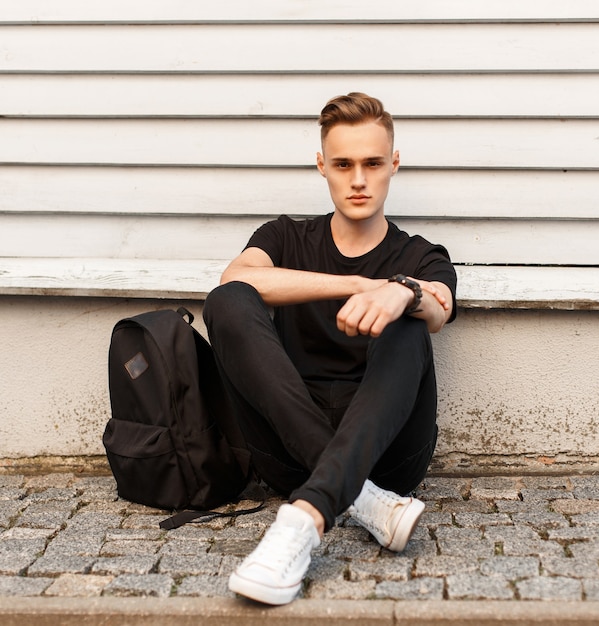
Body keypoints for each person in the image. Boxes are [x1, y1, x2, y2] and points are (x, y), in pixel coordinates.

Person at [203, 92, 457, 605]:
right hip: (289, 452)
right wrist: (358, 285)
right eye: (343, 164)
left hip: (390, 458)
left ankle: (307, 518)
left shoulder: (419, 254)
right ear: (322, 166)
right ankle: (362, 501)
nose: (358, 180)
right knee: (229, 300)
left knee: (409, 314)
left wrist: (400, 291)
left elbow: (439, 308)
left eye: (372, 164)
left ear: (394, 165)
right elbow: (236, 279)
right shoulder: (284, 237)